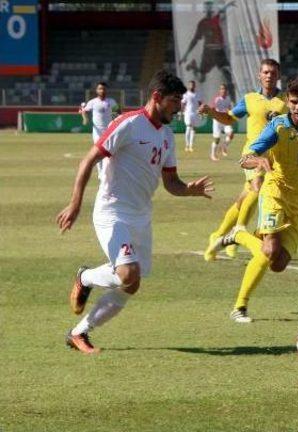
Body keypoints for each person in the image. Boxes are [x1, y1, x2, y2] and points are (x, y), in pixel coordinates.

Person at [56, 70, 213, 354]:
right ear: (157, 97)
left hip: (141, 217)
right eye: (174, 101)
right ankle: (86, 278)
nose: (178, 108)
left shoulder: (166, 135)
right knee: (128, 273)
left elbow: (171, 183)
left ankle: (79, 333)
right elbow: (88, 159)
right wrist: (75, 203)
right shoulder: (128, 123)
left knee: (132, 283)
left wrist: (189, 189)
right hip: (111, 212)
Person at [209, 77, 298, 323]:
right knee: (269, 250)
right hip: (275, 194)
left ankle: (238, 235)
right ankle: (240, 306)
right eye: (293, 102)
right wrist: (258, 161)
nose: (297, 108)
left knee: (278, 264)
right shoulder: (277, 127)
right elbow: (245, 157)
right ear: (287, 101)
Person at [199, 58, 287, 259]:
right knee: (258, 186)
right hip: (253, 155)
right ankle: (238, 232)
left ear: (278, 76)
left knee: (244, 197)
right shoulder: (249, 99)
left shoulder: (286, 100)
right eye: (265, 72)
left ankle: (219, 234)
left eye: (273, 73)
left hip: (275, 157)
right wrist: (212, 112)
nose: (269, 76)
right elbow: (229, 118)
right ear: (259, 75)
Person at [210, 83, 234, 161]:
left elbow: (229, 109)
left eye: (224, 89)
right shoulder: (217, 99)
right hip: (217, 121)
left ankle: (224, 146)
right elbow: (212, 108)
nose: (223, 90)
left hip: (225, 120)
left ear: (226, 91)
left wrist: (229, 112)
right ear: (219, 91)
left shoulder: (228, 99)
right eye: (221, 89)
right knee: (217, 139)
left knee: (231, 134)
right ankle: (213, 155)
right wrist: (215, 114)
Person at [181, 80, 203, 152]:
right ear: (188, 86)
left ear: (195, 86)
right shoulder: (186, 94)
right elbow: (183, 104)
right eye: (190, 85)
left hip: (195, 113)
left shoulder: (197, 94)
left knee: (194, 129)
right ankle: (186, 145)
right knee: (188, 127)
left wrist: (201, 112)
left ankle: (191, 146)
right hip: (188, 113)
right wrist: (181, 112)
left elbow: (200, 104)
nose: (192, 86)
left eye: (193, 85)